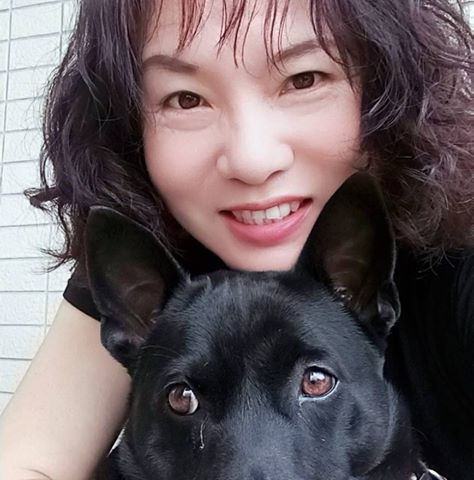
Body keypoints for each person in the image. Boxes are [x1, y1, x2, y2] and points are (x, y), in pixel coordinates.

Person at [0, 0, 472, 479]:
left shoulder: (460, 270)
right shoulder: (149, 259)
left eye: (303, 79)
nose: (252, 159)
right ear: (127, 127)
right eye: (186, 98)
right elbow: (28, 464)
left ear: (388, 84)